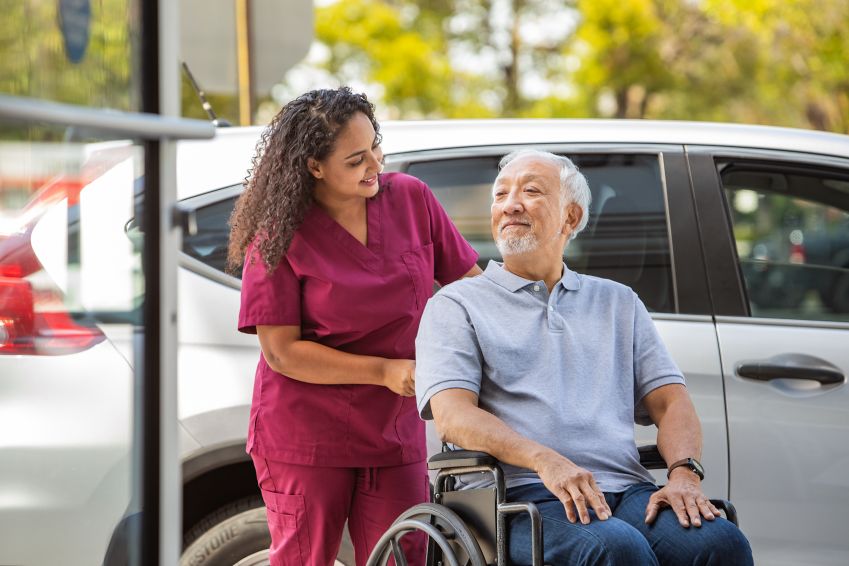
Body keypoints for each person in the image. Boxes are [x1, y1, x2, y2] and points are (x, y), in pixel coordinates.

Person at [415, 149, 753, 565]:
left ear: (571, 217)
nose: (510, 204)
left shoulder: (618, 302)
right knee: (616, 548)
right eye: (500, 195)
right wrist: (544, 460)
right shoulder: (456, 305)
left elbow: (671, 403)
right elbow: (453, 416)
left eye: (530, 191)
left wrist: (684, 475)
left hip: (625, 491)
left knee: (720, 543)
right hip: (515, 495)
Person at [229, 87, 480, 566]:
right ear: (314, 166)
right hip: (306, 434)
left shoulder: (412, 199)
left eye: (376, 148)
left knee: (405, 554)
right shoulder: (278, 233)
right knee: (306, 559)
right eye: (355, 160)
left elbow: (471, 288)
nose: (375, 165)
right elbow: (281, 351)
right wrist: (383, 370)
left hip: (394, 428)